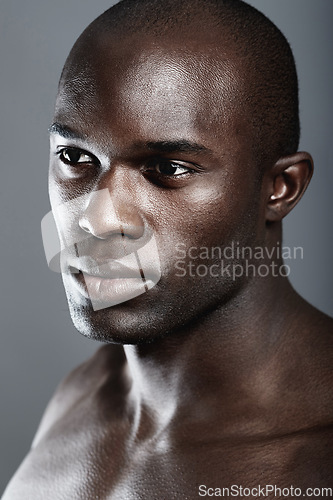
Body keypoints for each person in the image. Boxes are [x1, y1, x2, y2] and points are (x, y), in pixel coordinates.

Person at [3, 0, 333, 498]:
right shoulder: (82, 394)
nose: (97, 220)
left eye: (168, 169)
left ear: (280, 187)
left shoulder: (315, 464)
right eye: (74, 157)